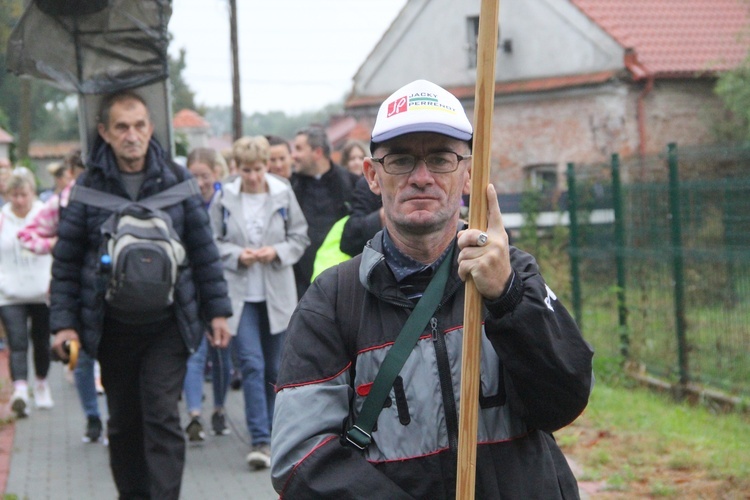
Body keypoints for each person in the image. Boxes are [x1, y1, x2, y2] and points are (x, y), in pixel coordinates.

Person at [271, 79, 594, 498]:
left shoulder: (514, 274)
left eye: (441, 159)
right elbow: (300, 456)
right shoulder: (332, 302)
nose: (421, 177)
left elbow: (565, 401)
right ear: (372, 175)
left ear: (468, 174)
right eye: (401, 160)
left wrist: (509, 299)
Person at [49, 90, 232, 499]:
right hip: (110, 327)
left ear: (151, 128)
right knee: (124, 423)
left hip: (168, 324)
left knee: (162, 414)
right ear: (104, 133)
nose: (132, 135)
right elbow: (65, 264)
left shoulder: (178, 180)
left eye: (139, 126)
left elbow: (204, 252)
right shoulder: (86, 187)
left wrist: (218, 312)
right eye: (121, 127)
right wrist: (63, 326)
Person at [209, 135, 309, 469]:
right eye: (247, 170)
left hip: (276, 293)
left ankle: (278, 432)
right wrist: (238, 255)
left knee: (276, 368)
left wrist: (275, 252)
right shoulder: (224, 198)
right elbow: (212, 243)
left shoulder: (282, 193)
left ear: (267, 165)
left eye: (259, 168)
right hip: (240, 295)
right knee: (251, 365)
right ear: (236, 168)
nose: (253, 176)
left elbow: (299, 237)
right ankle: (260, 439)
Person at [17, 148, 106, 443]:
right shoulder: (61, 201)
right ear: (71, 173)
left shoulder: (111, 196)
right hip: (74, 289)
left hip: (107, 289)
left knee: (110, 356)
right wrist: (56, 244)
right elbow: (27, 234)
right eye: (79, 172)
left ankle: (115, 417)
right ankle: (92, 416)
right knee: (80, 359)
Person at [181, 146, 234, 441]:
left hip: (222, 284)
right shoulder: (181, 202)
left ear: (216, 174)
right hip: (191, 286)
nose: (199, 182)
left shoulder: (227, 201)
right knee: (195, 351)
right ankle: (194, 415)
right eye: (193, 176)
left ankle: (219, 408)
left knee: (222, 351)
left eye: (204, 176)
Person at [0, 167, 54, 418]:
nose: (19, 200)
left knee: (41, 342)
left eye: (24, 194)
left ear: (33, 193)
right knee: (17, 341)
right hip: (9, 293)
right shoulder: (2, 218)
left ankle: (41, 383)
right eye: (14, 195)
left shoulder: (44, 215)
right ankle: (20, 390)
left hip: (41, 290)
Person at [290, 125, 358, 297]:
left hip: (345, 282)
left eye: (299, 149)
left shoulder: (353, 184)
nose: (293, 156)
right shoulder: (289, 188)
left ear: (317, 152)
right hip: (300, 285)